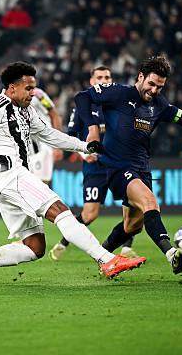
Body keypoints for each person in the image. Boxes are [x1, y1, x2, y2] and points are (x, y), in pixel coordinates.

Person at [0, 61, 146, 287]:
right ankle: (107, 260)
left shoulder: (25, 110)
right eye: (28, 88)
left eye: (34, 88)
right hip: (11, 176)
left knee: (35, 247)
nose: (32, 93)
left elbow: (48, 134)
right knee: (60, 211)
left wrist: (84, 146)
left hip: (8, 181)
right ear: (12, 88)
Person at [75, 55, 182, 274]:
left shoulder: (159, 104)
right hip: (118, 167)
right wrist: (93, 129)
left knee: (132, 226)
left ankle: (103, 255)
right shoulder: (118, 93)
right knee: (150, 202)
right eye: (151, 84)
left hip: (142, 169)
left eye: (159, 87)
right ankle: (172, 254)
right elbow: (82, 97)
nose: (154, 90)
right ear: (140, 77)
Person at [49, 66, 137, 261]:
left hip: (118, 164)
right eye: (99, 77)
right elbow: (72, 135)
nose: (104, 80)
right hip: (95, 167)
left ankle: (126, 248)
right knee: (89, 215)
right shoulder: (84, 105)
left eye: (107, 77)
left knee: (133, 204)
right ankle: (63, 243)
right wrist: (83, 154)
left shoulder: (120, 103)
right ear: (92, 81)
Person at [28, 87, 63, 184]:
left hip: (45, 143)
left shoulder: (38, 95)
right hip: (28, 145)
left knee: (42, 182)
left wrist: (57, 145)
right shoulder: (11, 98)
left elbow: (54, 115)